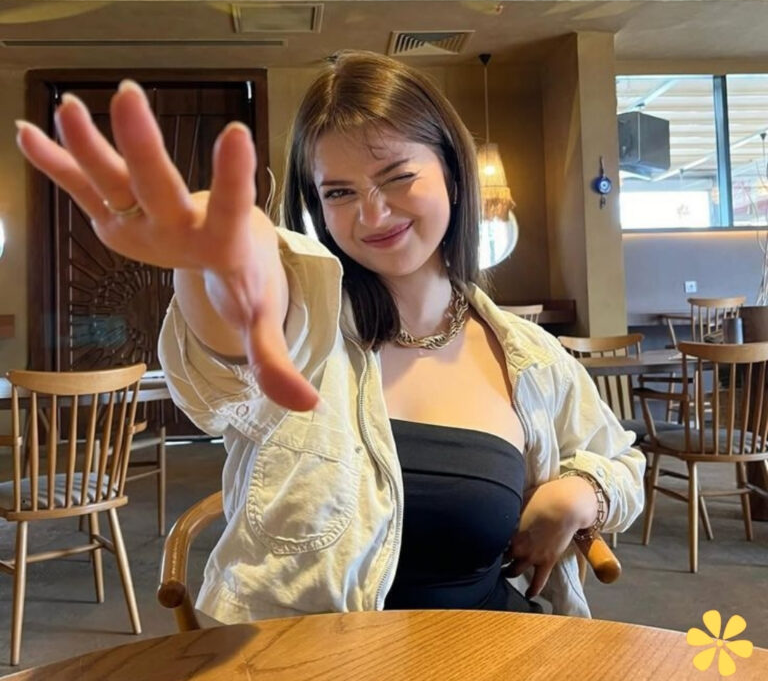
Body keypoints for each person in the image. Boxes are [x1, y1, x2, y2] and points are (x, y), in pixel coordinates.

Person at [15, 50, 644, 623]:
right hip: (307, 660)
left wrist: (579, 494)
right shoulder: (309, 320)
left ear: (453, 174)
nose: (372, 213)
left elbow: (622, 462)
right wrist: (216, 261)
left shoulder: (526, 355)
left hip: (493, 649)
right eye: (339, 192)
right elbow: (239, 332)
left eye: (397, 176)